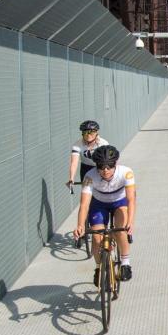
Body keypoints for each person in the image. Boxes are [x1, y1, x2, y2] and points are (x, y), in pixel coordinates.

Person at [73, 145, 136, 282]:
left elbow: (131, 199)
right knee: (96, 237)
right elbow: (84, 205)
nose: (105, 170)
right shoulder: (90, 176)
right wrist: (80, 225)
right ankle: (98, 267)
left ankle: (125, 263)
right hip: (99, 204)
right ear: (97, 166)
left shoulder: (126, 173)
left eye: (109, 166)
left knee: (121, 231)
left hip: (120, 203)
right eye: (101, 167)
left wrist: (130, 222)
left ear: (116, 164)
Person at [66, 120, 110, 190]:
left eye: (91, 132)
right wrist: (71, 178)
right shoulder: (77, 145)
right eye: (85, 132)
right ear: (82, 134)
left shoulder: (103, 144)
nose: (88, 135)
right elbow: (74, 163)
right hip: (86, 168)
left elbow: (108, 160)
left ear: (96, 133)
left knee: (102, 191)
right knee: (86, 191)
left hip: (100, 167)